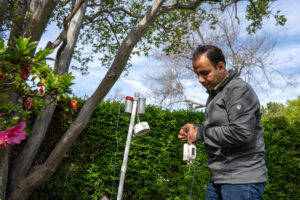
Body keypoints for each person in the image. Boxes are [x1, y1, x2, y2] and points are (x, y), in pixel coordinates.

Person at [178, 45, 268, 200]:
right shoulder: (216, 93)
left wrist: (200, 133)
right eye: (197, 74)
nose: (200, 79)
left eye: (204, 73)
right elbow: (220, 128)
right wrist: (195, 128)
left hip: (241, 180)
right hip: (219, 178)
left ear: (220, 67)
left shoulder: (238, 90)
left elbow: (241, 133)